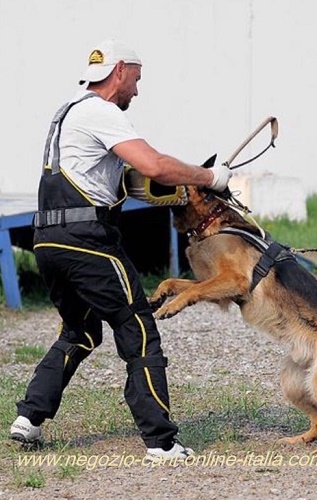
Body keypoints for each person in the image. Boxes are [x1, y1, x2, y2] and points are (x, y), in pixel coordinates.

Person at [9, 39, 232, 461]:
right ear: (120, 72)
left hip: (48, 240)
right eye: (137, 79)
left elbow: (121, 176)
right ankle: (161, 443)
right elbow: (152, 166)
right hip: (88, 242)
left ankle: (29, 419)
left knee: (82, 330)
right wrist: (208, 177)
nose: (137, 90)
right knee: (138, 327)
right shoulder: (102, 112)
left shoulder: (69, 109)